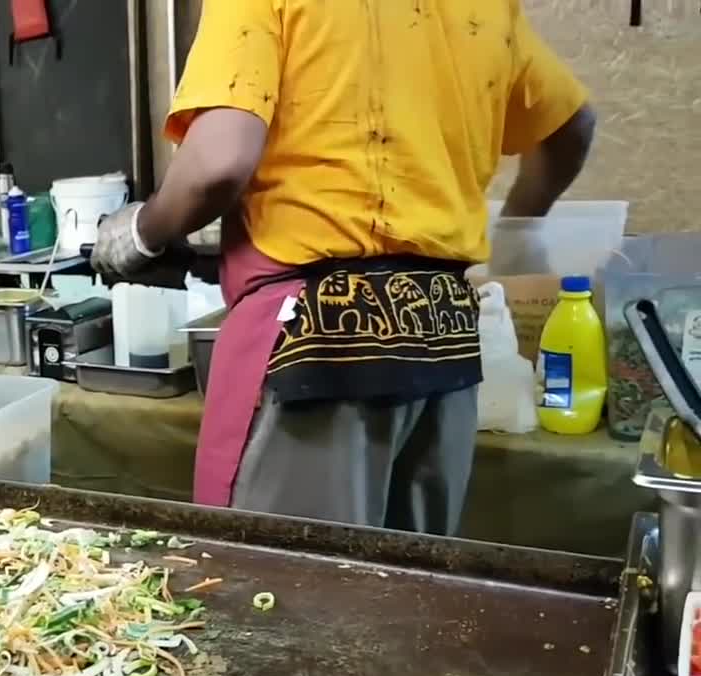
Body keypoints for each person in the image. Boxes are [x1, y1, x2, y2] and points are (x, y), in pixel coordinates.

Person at [94, 1, 595, 534]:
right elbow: (573, 126)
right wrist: (517, 225)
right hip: (443, 332)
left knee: (277, 594)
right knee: (407, 592)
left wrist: (141, 233)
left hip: (320, 335)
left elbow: (219, 162)